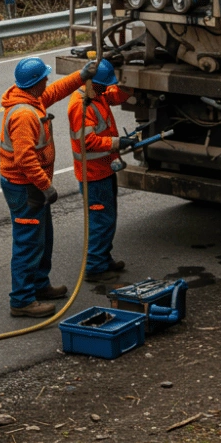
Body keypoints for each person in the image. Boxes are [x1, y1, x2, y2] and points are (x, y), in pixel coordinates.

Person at [0, 56, 98, 317]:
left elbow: (56, 90)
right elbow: (24, 158)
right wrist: (46, 187)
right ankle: (21, 301)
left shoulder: (33, 98)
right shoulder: (24, 115)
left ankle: (39, 286)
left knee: (43, 238)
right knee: (28, 243)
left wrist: (81, 74)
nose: (47, 80)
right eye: (44, 77)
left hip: (32, 186)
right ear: (34, 84)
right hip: (26, 187)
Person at [67, 58, 133, 282]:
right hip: (93, 175)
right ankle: (95, 266)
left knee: (108, 217)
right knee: (100, 220)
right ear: (93, 83)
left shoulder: (97, 94)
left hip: (104, 170)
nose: (107, 88)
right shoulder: (81, 105)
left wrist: (128, 80)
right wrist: (117, 143)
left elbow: (116, 95)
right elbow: (89, 142)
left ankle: (103, 258)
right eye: (105, 85)